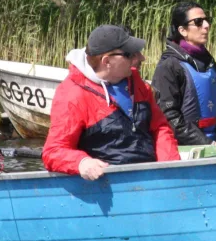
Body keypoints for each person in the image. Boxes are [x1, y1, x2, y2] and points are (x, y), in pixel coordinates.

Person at [42, 24, 180, 180]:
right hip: (108, 185)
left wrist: (170, 168)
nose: (141, 58)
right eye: (130, 55)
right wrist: (82, 162)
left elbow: (160, 127)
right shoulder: (72, 95)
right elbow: (53, 151)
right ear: (106, 61)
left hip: (149, 178)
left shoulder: (135, 81)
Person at [151, 1, 216, 146]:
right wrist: (207, 144)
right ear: (182, 30)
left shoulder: (211, 64)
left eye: (207, 20)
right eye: (198, 22)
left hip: (215, 144)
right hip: (185, 149)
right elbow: (169, 117)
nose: (206, 25)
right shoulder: (169, 66)